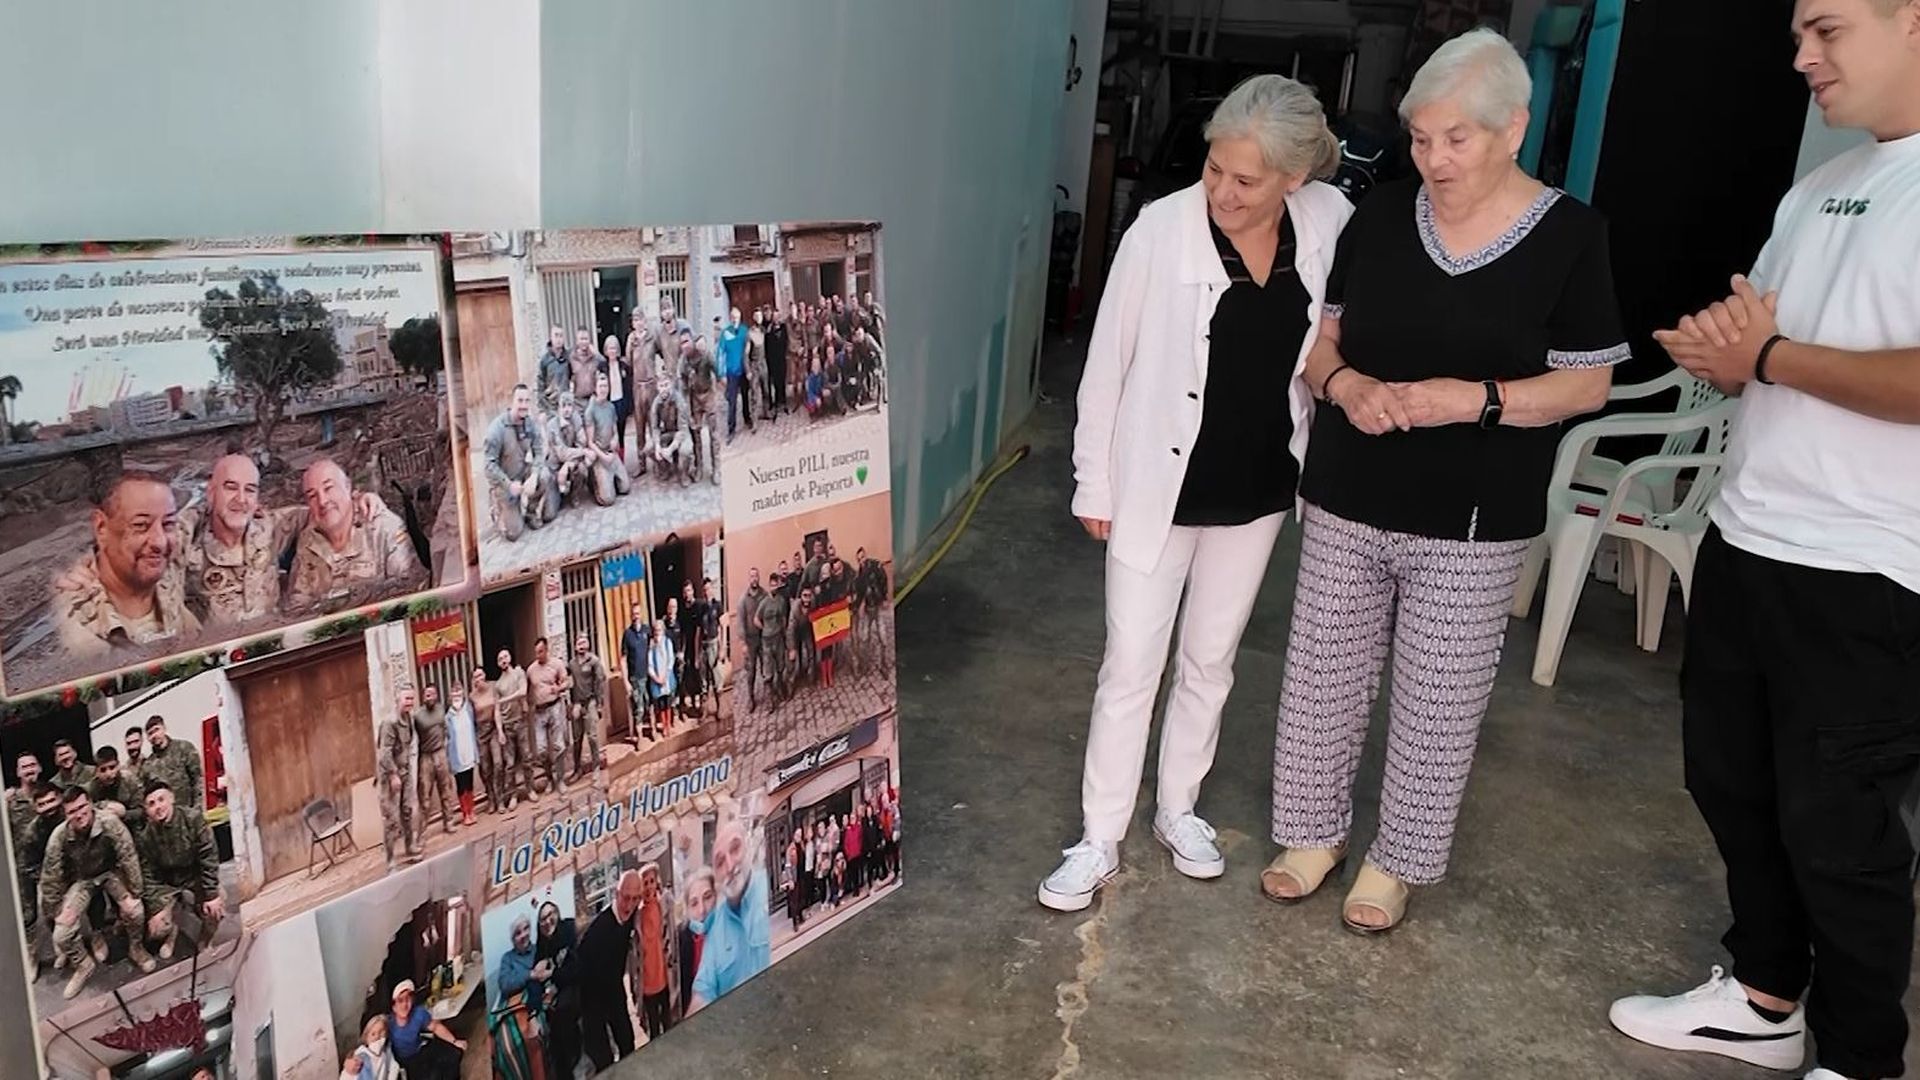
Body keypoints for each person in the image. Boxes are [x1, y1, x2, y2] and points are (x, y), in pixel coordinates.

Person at [1608, 3, 1920, 1078]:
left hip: (1873, 564)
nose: (1802, 57)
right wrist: (1723, 350)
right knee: (1731, 781)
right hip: (1751, 532)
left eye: (1827, 29)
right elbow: (1771, 341)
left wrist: (1772, 357)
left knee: (1841, 829)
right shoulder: (1822, 185)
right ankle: (1763, 996)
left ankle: (1863, 1056)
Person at [1261, 29, 1625, 933]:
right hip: (1350, 487)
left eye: (1455, 139)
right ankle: (1313, 835)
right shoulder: (1379, 215)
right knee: (1320, 675)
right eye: (1421, 138)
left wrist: (1478, 399)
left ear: (1514, 129)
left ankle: (1397, 860)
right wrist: (1345, 385)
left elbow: (1586, 381)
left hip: (1473, 512)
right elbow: (1321, 340)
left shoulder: (1571, 235)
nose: (1433, 158)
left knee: (1441, 694)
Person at [1039, 74, 1354, 913]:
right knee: (1131, 662)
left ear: (1294, 178)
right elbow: (1105, 365)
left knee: (1210, 660)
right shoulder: (1159, 231)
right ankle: (1099, 836)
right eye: (1215, 169)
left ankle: (1179, 808)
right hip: (1156, 484)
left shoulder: (1328, 223)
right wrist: (1092, 480)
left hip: (1255, 486)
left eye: (1245, 180)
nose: (1221, 190)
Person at [53, 469, 201, 657]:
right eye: (140, 526)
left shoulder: (166, 574)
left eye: (168, 524)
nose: (160, 542)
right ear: (101, 528)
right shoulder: (79, 632)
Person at [41, 786, 151, 997]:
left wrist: (134, 893)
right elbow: (51, 875)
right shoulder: (59, 836)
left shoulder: (110, 823)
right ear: (66, 814)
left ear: (90, 804)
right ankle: (83, 965)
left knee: (135, 910)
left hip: (111, 873)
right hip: (82, 880)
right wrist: (57, 911)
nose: (79, 814)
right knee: (62, 933)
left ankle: (136, 948)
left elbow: (128, 856)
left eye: (82, 807)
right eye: (72, 811)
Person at [284, 459, 424, 610]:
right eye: (312, 496)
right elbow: (297, 605)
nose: (322, 501)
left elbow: (411, 590)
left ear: (348, 487)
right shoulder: (307, 542)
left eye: (328, 488)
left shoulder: (383, 527)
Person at [562, 869, 643, 1068]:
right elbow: (576, 969)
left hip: (614, 991)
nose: (630, 905)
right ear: (616, 893)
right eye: (626, 898)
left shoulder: (631, 916)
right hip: (592, 1000)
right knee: (603, 1060)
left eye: (635, 899)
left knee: (628, 1044)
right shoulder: (596, 931)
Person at [133, 778, 221, 960]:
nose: (158, 807)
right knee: (156, 929)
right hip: (169, 884)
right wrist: (156, 908)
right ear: (146, 810)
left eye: (161, 799)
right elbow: (148, 875)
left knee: (215, 909)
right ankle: (172, 931)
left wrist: (211, 894)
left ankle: (204, 942)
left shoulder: (192, 819)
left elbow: (209, 856)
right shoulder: (146, 836)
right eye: (151, 804)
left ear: (172, 798)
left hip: (194, 876)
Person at [689, 821, 770, 1008]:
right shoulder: (715, 930)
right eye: (720, 862)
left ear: (748, 847)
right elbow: (703, 991)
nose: (730, 865)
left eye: (735, 849)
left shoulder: (767, 888)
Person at [483, 384, 559, 541]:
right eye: (520, 400)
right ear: (512, 402)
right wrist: (508, 484)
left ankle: (531, 511)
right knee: (514, 533)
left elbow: (539, 450)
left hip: (522, 472)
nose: (524, 405)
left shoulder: (529, 423)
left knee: (544, 475)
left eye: (527, 401)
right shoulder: (496, 430)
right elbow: (489, 466)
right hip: (504, 482)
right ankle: (497, 510)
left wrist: (534, 475)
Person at [376, 687, 422, 868]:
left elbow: (407, 746)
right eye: (406, 698)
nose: (409, 702)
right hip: (390, 776)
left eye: (412, 698)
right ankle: (390, 859)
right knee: (391, 819)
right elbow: (384, 753)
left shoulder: (408, 718)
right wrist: (393, 775)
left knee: (407, 811)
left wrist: (405, 773)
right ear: (397, 699)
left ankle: (410, 846)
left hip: (405, 772)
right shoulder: (390, 722)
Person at [534, 900, 581, 1077]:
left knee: (561, 1013)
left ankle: (572, 1063)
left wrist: (551, 974)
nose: (547, 921)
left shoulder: (569, 930)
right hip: (554, 997)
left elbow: (576, 971)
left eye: (551, 914)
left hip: (574, 987)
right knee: (553, 1028)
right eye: (542, 919)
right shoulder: (541, 947)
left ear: (558, 913)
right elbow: (537, 979)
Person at [388, 978, 466, 1080]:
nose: (405, 1004)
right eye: (400, 1000)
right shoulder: (388, 1023)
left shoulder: (419, 1013)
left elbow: (436, 1027)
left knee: (455, 1054)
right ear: (393, 1006)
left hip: (422, 1048)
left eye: (408, 999)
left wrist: (454, 1041)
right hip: (407, 1061)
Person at [526, 636, 571, 797]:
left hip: (555, 707)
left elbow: (567, 682)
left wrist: (558, 688)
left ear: (546, 650)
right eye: (536, 653)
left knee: (559, 745)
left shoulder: (557, 664)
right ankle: (549, 777)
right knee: (542, 750)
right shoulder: (531, 670)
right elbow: (527, 689)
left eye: (540, 652)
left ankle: (560, 780)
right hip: (539, 712)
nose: (538, 656)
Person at [412, 683, 457, 835]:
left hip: (441, 753)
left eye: (432, 694)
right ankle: (421, 831)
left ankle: (449, 822)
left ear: (437, 695)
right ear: (423, 697)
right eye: (427, 694)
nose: (429, 697)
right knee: (424, 796)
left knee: (446, 790)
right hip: (426, 757)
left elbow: (446, 726)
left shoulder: (441, 709)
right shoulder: (418, 716)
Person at [583, 370, 631, 505]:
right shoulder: (590, 410)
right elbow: (590, 442)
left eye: (606, 386)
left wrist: (615, 440)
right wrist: (603, 457)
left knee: (625, 488)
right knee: (608, 500)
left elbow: (615, 430)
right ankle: (596, 481)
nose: (604, 389)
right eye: (601, 386)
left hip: (611, 452)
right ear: (595, 389)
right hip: (600, 455)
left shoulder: (610, 407)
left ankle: (610, 480)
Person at [493, 647, 534, 810]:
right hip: (507, 725)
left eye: (505, 656)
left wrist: (504, 700)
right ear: (498, 663)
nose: (503, 660)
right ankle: (513, 795)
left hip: (521, 721)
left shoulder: (519, 673)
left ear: (510, 657)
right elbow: (496, 709)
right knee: (509, 764)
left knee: (527, 757)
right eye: (500, 658)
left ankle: (530, 789)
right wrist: (500, 730)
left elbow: (523, 691)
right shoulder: (497, 685)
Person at [567, 632, 609, 782]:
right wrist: (570, 705)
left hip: (590, 702)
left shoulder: (594, 661)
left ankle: (596, 768)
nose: (581, 645)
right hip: (577, 704)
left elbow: (600, 682)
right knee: (577, 739)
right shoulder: (571, 664)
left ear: (588, 644)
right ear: (575, 645)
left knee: (592, 737)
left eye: (584, 642)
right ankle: (577, 770)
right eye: (579, 643)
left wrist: (599, 704)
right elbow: (569, 685)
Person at [637, 864, 673, 1038]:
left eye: (652, 881)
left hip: (664, 976)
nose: (649, 886)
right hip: (648, 982)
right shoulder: (637, 915)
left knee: (668, 1022)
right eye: (645, 882)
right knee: (654, 1028)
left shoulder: (662, 905)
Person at [143, 716, 205, 812]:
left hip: (190, 811)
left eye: (156, 730)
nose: (154, 735)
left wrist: (198, 808)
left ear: (164, 728)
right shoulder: (148, 765)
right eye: (150, 734)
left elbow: (198, 779)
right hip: (166, 817)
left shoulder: (184, 748)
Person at [467, 667, 502, 815]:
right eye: (475, 677)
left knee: (498, 763)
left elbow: (497, 710)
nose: (479, 678)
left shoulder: (493, 688)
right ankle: (491, 798)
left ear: (485, 674)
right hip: (480, 732)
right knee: (485, 768)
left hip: (493, 728)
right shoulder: (472, 696)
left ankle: (500, 799)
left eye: (480, 674)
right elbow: (470, 719)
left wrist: (500, 731)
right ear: (473, 680)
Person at [443, 681, 479, 826]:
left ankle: (472, 810)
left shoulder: (469, 709)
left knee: (470, 783)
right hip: (457, 755)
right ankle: (465, 813)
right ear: (450, 695)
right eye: (454, 691)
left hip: (469, 750)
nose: (456, 694)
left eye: (459, 691)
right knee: (461, 785)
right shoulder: (447, 717)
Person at [86, 747, 144, 830]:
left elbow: (142, 811)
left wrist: (125, 814)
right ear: (96, 771)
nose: (108, 774)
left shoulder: (130, 780)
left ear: (118, 765)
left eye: (112, 767)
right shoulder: (91, 788)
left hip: (130, 827)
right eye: (103, 770)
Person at [619, 603, 653, 743]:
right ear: (630, 615)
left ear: (641, 614)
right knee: (638, 709)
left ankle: (653, 730)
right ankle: (639, 737)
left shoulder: (647, 631)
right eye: (633, 614)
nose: (636, 616)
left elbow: (653, 649)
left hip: (648, 676)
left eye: (638, 613)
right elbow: (623, 659)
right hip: (635, 678)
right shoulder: (627, 634)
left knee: (650, 704)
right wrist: (626, 681)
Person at [339, 1014, 403, 1080]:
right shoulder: (360, 1056)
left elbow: (393, 1066)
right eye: (373, 1034)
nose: (377, 1037)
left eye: (381, 1032)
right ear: (366, 1037)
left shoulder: (386, 1050)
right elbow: (346, 1075)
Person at [719, 306, 750, 440]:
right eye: (732, 317)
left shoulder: (744, 331)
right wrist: (721, 373)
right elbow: (720, 353)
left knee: (745, 396)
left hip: (743, 369)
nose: (734, 319)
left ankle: (747, 418)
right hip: (731, 371)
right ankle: (731, 429)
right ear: (730, 318)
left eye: (737, 317)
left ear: (740, 318)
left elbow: (749, 349)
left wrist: (750, 369)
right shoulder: (725, 333)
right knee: (732, 401)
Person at [647, 620, 677, 738]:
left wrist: (665, 675)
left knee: (668, 703)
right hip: (657, 679)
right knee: (660, 704)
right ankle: (664, 725)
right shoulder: (651, 645)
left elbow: (670, 659)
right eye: (655, 630)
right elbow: (649, 664)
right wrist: (655, 677)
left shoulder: (667, 642)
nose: (657, 633)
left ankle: (668, 725)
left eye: (659, 630)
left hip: (666, 678)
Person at [536, 325, 572, 413]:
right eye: (556, 335)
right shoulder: (545, 360)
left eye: (561, 336)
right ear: (551, 338)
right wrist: (542, 409)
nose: (558, 339)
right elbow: (540, 385)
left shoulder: (569, 357)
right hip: (551, 407)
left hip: (566, 405)